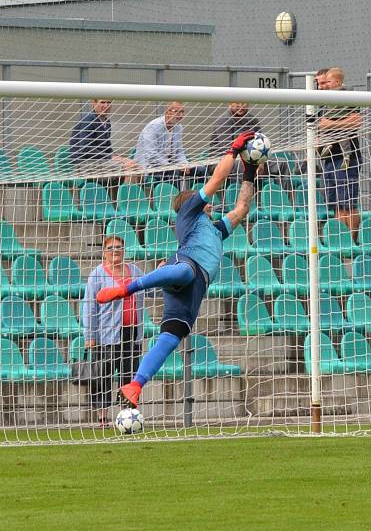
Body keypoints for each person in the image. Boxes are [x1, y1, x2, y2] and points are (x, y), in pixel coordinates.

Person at [95, 130, 260, 408]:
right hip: (185, 266)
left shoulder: (216, 231)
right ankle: (126, 288)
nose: (210, 203)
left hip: (195, 289)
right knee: (185, 272)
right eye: (205, 201)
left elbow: (242, 208)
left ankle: (135, 385)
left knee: (171, 337)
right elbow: (217, 179)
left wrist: (250, 172)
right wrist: (233, 151)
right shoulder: (189, 213)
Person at [81, 234, 145, 426]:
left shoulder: (135, 271)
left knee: (129, 375)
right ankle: (102, 417)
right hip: (106, 335)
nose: (115, 251)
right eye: (111, 248)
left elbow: (150, 289)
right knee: (103, 376)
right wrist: (90, 335)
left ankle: (127, 416)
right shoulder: (97, 275)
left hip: (132, 333)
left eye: (118, 247)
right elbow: (89, 306)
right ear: (104, 252)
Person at [315, 67, 363, 239]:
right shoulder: (320, 102)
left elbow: (356, 121)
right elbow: (319, 125)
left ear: (334, 82)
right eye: (319, 83)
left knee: (347, 204)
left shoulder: (345, 96)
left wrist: (332, 124)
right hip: (328, 159)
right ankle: (340, 243)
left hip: (346, 158)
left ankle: (351, 243)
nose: (321, 87)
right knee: (336, 205)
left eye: (324, 83)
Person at [134, 101, 206, 184]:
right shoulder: (153, 127)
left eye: (182, 112)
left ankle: (197, 196)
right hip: (151, 167)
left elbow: (179, 152)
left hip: (171, 166)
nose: (181, 115)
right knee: (174, 173)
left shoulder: (178, 127)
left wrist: (184, 164)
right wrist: (170, 166)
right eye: (177, 112)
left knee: (201, 170)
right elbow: (151, 156)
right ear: (167, 112)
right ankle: (175, 197)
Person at [69, 98, 140, 182]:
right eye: (102, 102)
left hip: (101, 162)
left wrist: (120, 158)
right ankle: (128, 194)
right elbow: (85, 148)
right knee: (129, 168)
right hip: (83, 165)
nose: (106, 105)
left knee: (137, 167)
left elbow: (107, 148)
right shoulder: (88, 120)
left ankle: (123, 194)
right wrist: (109, 157)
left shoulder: (107, 122)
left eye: (108, 102)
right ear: (94, 104)